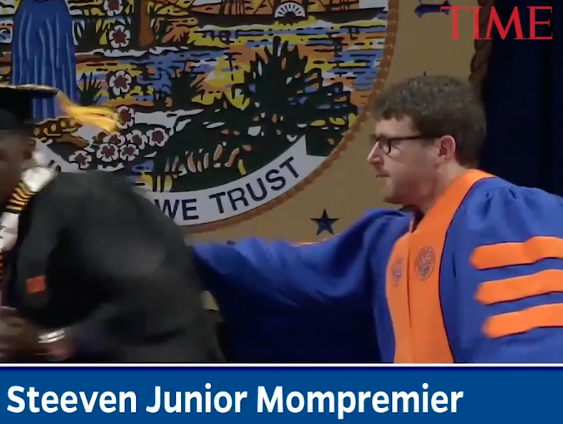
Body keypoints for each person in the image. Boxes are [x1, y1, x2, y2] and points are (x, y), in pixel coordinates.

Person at [193, 75, 563, 363]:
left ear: (442, 149)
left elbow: (532, 354)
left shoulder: (508, 216)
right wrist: (179, 258)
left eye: (389, 144)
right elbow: (283, 267)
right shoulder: (388, 240)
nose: (373, 157)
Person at [0, 81, 222, 363]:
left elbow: (161, 298)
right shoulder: (10, 232)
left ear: (27, 150)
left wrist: (54, 342)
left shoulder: (85, 202)